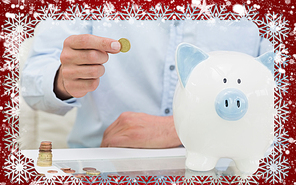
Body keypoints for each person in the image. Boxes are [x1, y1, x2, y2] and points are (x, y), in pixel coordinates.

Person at [21, 17, 272, 148]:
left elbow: (284, 100)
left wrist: (178, 129)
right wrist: (63, 79)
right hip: (102, 169)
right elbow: (33, 79)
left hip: (227, 167)